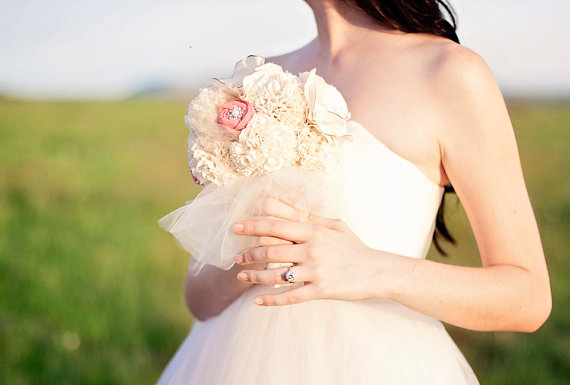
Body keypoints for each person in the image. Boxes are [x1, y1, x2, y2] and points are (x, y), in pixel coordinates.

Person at [156, 1, 551, 383]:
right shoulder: (262, 80)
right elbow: (200, 301)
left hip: (377, 365)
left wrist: (372, 268)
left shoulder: (448, 73)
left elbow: (528, 297)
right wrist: (251, 243)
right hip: (230, 362)